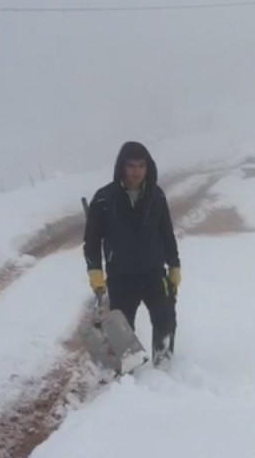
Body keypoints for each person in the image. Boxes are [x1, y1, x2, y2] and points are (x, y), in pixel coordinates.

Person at [83, 141, 181, 366]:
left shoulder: (156, 197)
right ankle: (127, 373)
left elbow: (167, 234)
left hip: (153, 273)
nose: (136, 171)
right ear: (122, 167)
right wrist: (95, 271)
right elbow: (91, 242)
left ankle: (163, 363)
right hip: (121, 276)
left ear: (148, 168)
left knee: (165, 319)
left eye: (141, 166)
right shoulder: (104, 199)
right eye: (131, 166)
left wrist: (174, 264)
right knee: (121, 328)